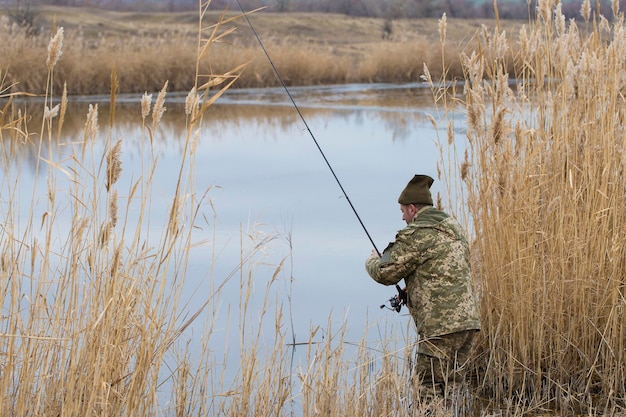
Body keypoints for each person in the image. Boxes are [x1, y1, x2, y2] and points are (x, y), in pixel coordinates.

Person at [365, 174, 481, 404]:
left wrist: (372, 260)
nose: (402, 217)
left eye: (403, 211)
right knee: (449, 390)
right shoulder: (452, 227)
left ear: (412, 209)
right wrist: (411, 290)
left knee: (428, 392)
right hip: (468, 325)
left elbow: (385, 273)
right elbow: (442, 271)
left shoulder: (417, 234)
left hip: (440, 329)